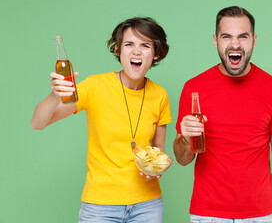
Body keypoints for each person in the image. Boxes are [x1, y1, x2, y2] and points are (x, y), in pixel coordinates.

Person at [173, 6, 272, 223]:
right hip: (208, 214)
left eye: (242, 37)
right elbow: (182, 158)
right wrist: (186, 138)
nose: (235, 44)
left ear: (254, 40)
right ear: (216, 41)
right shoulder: (193, 89)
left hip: (258, 214)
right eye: (227, 36)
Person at [31, 17, 172, 223]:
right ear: (118, 50)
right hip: (100, 207)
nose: (136, 52)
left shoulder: (160, 95)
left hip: (148, 206)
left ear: (156, 53)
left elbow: (158, 148)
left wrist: (157, 169)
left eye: (145, 45)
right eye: (129, 44)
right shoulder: (95, 86)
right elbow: (38, 123)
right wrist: (55, 96)